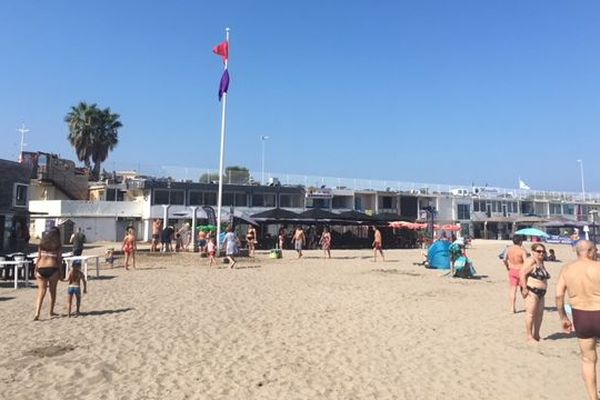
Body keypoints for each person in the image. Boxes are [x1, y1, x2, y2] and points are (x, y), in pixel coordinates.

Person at [556, 240, 600, 400]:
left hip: (580, 315)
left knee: (588, 359)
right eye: (596, 250)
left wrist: (563, 317)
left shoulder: (567, 269)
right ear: (590, 251)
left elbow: (559, 295)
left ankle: (593, 397)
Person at [519, 243, 551, 342]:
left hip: (541, 293)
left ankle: (536, 335)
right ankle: (529, 336)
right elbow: (522, 273)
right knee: (531, 314)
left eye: (543, 251)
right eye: (539, 251)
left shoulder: (541, 262)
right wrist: (524, 288)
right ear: (533, 252)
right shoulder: (531, 261)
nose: (541, 253)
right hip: (532, 291)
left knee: (539, 314)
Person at [34, 227, 62, 321]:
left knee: (41, 292)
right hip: (52, 268)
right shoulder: (57, 246)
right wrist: (61, 273)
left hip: (41, 268)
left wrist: (35, 269)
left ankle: (37, 313)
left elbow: (38, 258)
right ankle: (51, 311)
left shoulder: (41, 245)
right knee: (52, 291)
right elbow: (59, 261)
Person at [503, 235, 528, 313]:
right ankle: (527, 306)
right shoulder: (522, 251)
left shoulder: (508, 249)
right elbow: (526, 262)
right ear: (520, 241)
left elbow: (504, 259)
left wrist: (507, 266)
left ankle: (512, 307)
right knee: (524, 288)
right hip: (521, 271)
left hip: (512, 270)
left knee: (513, 290)